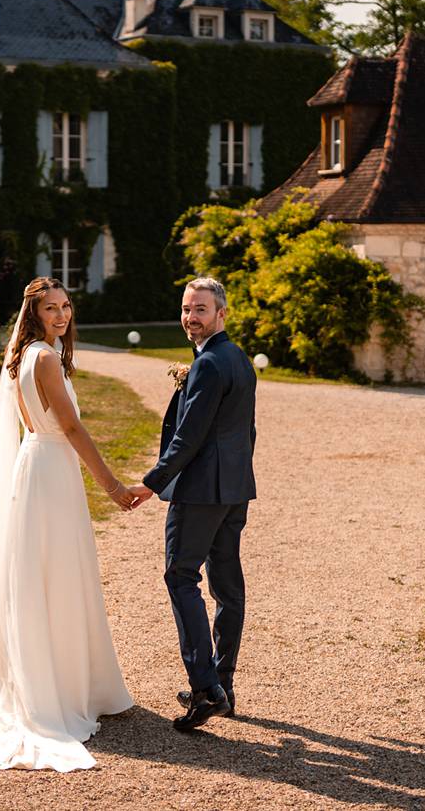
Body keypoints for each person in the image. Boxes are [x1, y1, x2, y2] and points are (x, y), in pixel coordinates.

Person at [0, 277, 135, 771]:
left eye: (66, 307)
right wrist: (112, 485)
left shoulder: (25, 356)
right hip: (49, 470)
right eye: (51, 309)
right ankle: (52, 690)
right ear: (34, 314)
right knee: (57, 574)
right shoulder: (43, 358)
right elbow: (69, 426)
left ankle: (59, 679)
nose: (62, 316)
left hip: (39, 466)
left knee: (46, 574)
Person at [126, 276, 257, 731]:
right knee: (227, 586)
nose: (190, 317)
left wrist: (152, 481)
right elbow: (245, 432)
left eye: (200, 309)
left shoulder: (208, 365)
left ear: (222, 313)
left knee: (181, 577)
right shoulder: (238, 358)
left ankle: (205, 688)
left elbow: (189, 437)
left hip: (201, 491)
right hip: (234, 489)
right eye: (186, 308)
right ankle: (224, 683)